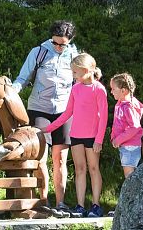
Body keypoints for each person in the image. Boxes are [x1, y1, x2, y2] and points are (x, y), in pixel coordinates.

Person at [12, 20, 78, 217]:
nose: (58, 47)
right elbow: (22, 78)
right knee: (40, 157)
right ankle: (43, 200)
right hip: (39, 109)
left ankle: (61, 202)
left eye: (62, 44)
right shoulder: (39, 52)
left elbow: (84, 81)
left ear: (70, 41)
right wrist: (11, 92)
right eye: (55, 43)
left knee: (60, 160)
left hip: (65, 111)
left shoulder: (75, 55)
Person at [46, 53, 108, 218]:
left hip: (93, 137)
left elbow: (104, 117)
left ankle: (95, 205)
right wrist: (48, 128)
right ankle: (80, 206)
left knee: (94, 169)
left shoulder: (99, 89)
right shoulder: (75, 88)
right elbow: (67, 113)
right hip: (76, 136)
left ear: (86, 70)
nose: (73, 75)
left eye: (75, 72)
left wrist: (99, 140)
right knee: (80, 169)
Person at [109, 73, 143, 178]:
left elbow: (134, 127)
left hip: (130, 147)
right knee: (130, 176)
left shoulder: (128, 107)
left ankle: (132, 194)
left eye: (113, 89)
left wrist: (118, 139)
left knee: (129, 177)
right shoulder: (121, 103)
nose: (111, 92)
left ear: (123, 90)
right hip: (126, 146)